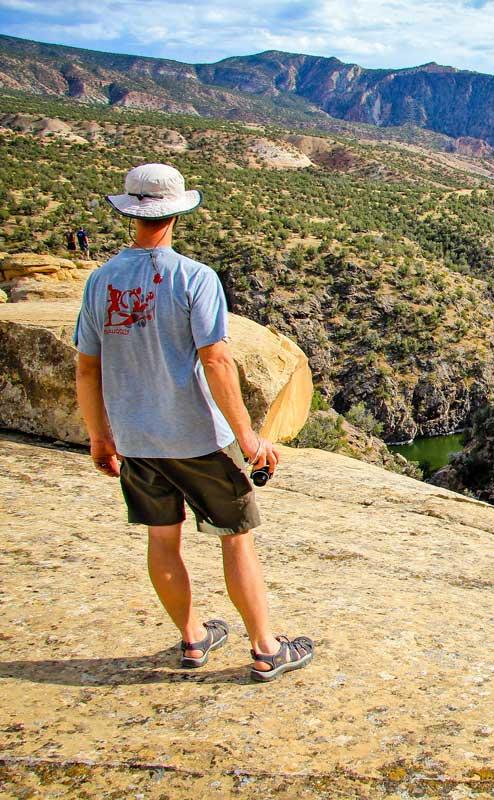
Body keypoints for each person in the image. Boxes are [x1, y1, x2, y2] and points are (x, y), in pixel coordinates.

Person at [73, 163, 314, 682]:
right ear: (179, 210)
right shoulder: (193, 277)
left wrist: (99, 435)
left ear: (129, 212)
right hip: (200, 439)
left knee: (163, 541)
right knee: (236, 538)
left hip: (138, 441)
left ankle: (192, 639)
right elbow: (217, 360)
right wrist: (247, 435)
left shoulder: (100, 282)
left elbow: (88, 367)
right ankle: (266, 649)